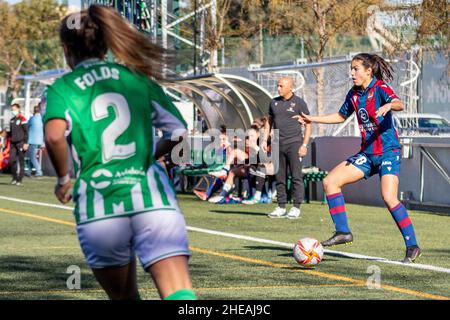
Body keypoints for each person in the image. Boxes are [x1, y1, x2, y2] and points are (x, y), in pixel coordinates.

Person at [43, 5, 196, 300]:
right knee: (179, 294)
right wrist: (147, 157)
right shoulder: (137, 79)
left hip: (100, 204)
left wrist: (64, 178)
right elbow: (178, 133)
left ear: (65, 48)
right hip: (151, 198)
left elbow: (53, 136)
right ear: (106, 43)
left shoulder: (63, 87)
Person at [294, 53, 421, 263]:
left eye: (356, 69)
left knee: (389, 198)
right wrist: (311, 118)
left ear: (368, 71)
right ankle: (343, 231)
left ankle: (412, 245)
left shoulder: (379, 88)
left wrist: (388, 106)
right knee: (330, 182)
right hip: (368, 154)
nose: (352, 73)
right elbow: (340, 116)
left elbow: (399, 104)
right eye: (351, 69)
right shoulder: (353, 94)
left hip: (388, 152)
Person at [262, 77, 312, 219]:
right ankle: (281, 206)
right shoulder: (274, 102)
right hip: (278, 144)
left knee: (296, 176)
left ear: (290, 87)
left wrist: (304, 145)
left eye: (281, 86)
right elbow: (269, 122)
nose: (278, 88)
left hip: (295, 143)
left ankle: (296, 207)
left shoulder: (299, 103)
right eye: (278, 85)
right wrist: (265, 140)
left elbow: (309, 124)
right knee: (279, 176)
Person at [7, 103, 29, 185]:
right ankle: (14, 177)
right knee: (11, 161)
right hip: (13, 143)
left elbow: (26, 132)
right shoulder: (12, 120)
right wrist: (6, 133)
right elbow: (11, 133)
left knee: (21, 161)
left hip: (21, 143)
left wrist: (26, 143)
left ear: (19, 109)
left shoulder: (23, 119)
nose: (13, 111)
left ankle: (19, 180)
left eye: (14, 109)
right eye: (12, 109)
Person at [27, 104, 44, 177]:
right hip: (40, 141)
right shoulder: (42, 119)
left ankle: (39, 171)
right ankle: (29, 171)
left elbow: (27, 126)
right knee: (32, 157)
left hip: (32, 140)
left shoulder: (32, 119)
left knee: (32, 157)